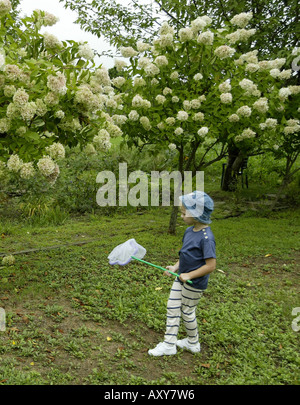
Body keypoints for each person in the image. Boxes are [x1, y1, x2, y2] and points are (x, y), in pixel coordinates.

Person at [148, 190, 216, 356]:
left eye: (184, 212)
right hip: (181, 279)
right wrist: (176, 267)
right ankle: (169, 344)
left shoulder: (206, 238)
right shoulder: (189, 231)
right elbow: (185, 254)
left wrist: (190, 275)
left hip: (194, 283)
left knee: (187, 312)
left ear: (197, 213)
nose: (181, 215)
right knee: (172, 308)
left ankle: (193, 342)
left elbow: (211, 265)